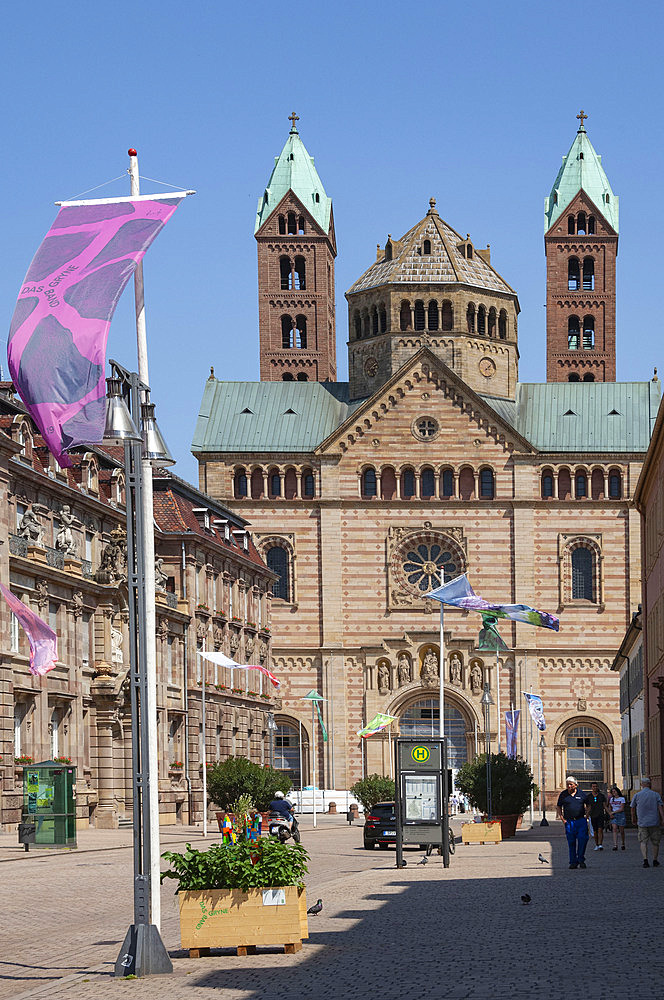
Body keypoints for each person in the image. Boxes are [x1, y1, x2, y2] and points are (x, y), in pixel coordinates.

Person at [556, 775, 591, 869]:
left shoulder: (582, 794)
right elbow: (558, 806)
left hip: (580, 821)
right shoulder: (563, 795)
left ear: (576, 785)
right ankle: (573, 862)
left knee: (582, 840)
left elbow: (588, 805)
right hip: (569, 822)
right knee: (571, 842)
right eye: (567, 784)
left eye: (571, 784)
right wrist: (562, 818)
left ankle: (581, 859)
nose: (569, 786)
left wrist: (586, 816)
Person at [630, 777, 664, 868]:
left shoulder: (637, 795)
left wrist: (633, 818)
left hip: (642, 822)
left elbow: (632, 808)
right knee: (655, 842)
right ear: (649, 784)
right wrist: (662, 819)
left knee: (643, 841)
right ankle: (655, 860)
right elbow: (660, 808)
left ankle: (645, 860)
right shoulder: (656, 795)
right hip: (654, 821)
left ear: (642, 784)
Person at [588, 781, 608, 851]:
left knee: (600, 830)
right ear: (591, 788)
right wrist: (587, 815)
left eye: (596, 786)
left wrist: (609, 813)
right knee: (595, 831)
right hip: (593, 815)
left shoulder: (601, 796)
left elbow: (605, 806)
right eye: (593, 787)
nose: (595, 788)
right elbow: (588, 807)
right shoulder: (589, 796)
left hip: (600, 815)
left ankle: (600, 844)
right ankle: (596, 844)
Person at [607, 784, 627, 851]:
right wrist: (610, 813)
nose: (614, 793)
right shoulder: (611, 799)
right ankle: (615, 845)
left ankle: (623, 843)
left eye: (615, 791)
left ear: (618, 791)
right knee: (614, 829)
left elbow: (622, 808)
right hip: (614, 815)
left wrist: (613, 812)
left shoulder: (622, 799)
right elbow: (610, 807)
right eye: (612, 792)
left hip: (620, 815)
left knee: (621, 830)